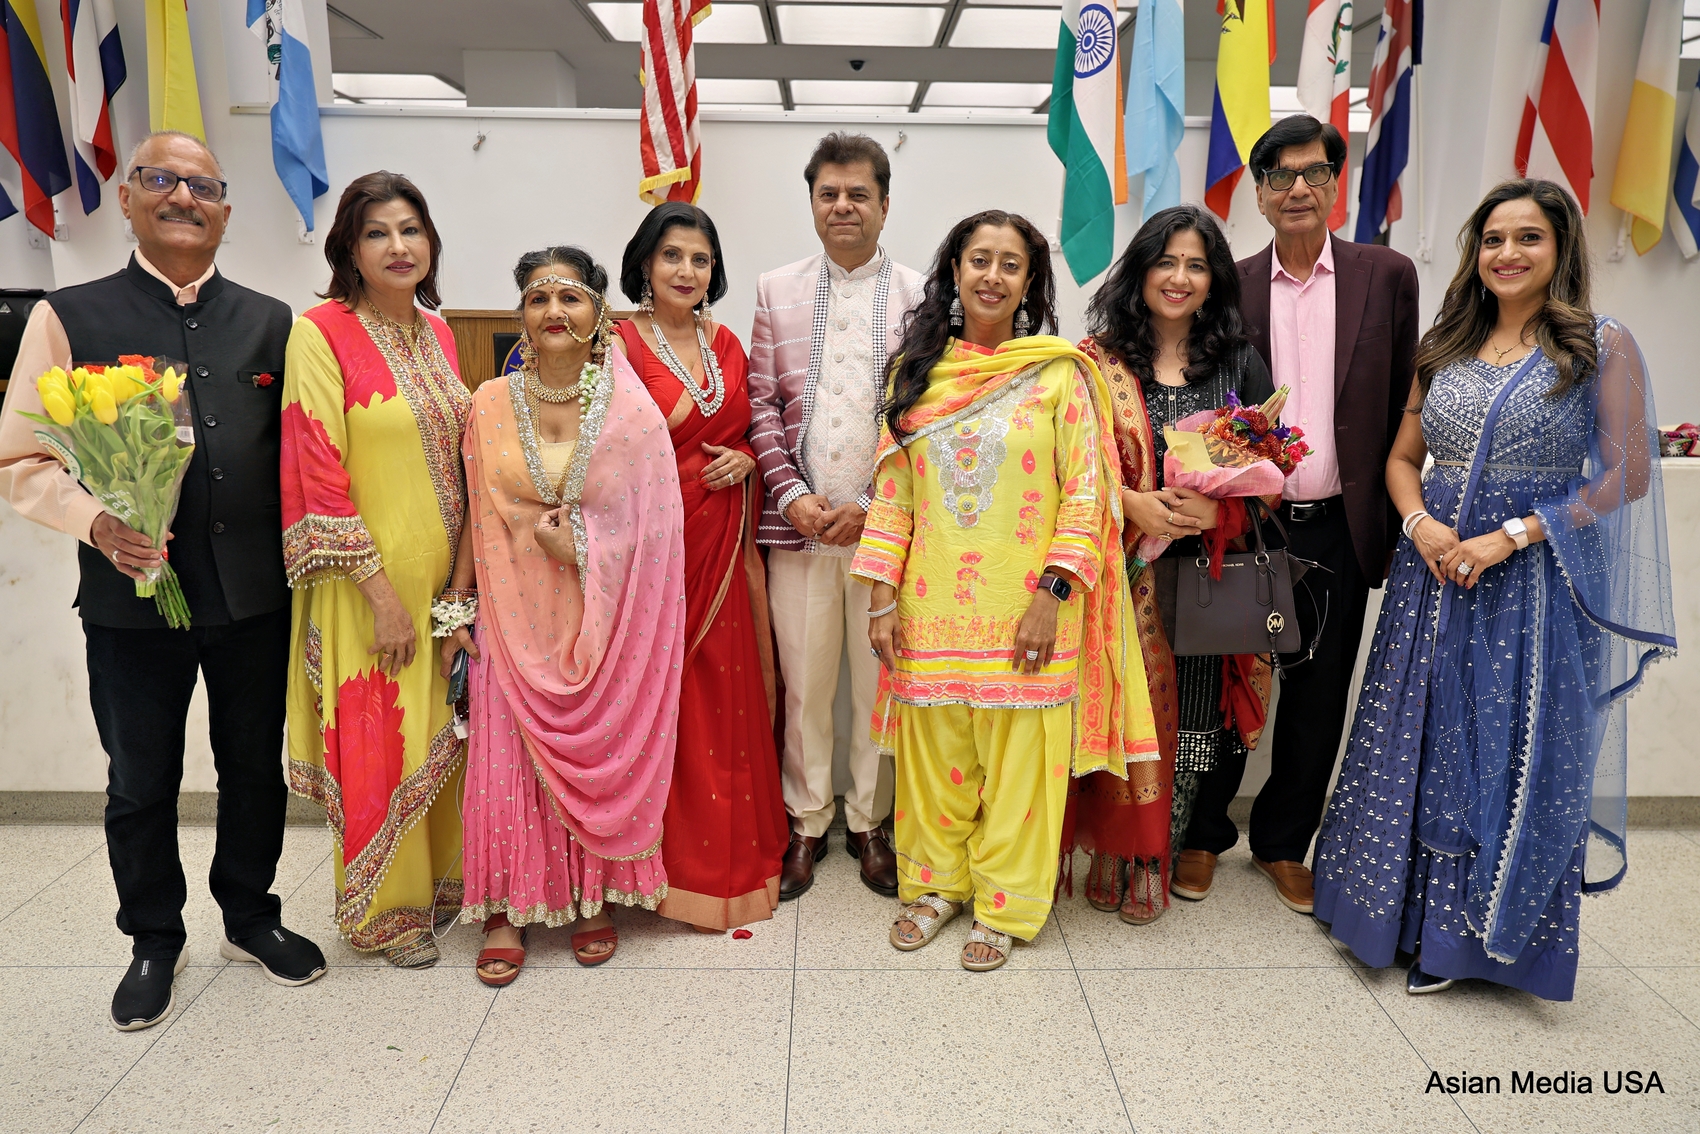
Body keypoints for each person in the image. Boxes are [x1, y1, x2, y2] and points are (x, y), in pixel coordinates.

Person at [1312, 179, 1674, 1000]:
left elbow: (1629, 474)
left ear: (1561, 248)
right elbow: (1402, 460)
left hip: (1532, 587)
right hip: (1432, 573)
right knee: (1416, 733)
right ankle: (1386, 919)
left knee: (1499, 748)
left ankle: (1465, 941)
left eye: (1528, 238)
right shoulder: (1446, 342)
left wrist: (1515, 535)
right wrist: (1418, 525)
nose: (1507, 253)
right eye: (1493, 239)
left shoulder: (1599, 344)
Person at [0, 131, 325, 1030]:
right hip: (128, 601)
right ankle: (153, 937)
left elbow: (300, 454)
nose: (183, 197)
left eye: (202, 187)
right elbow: (21, 456)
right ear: (129, 199)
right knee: (140, 779)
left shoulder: (272, 322)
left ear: (225, 210)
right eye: (161, 180)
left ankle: (251, 917)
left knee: (253, 769)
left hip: (254, 596)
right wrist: (96, 523)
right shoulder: (69, 316)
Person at [853, 210, 1158, 972]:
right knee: (934, 758)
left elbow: (1088, 493)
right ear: (954, 272)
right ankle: (934, 886)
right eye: (979, 260)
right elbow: (894, 494)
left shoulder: (1060, 374)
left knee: (1022, 766)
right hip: (929, 606)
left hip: (1028, 610)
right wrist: (881, 597)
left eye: (1010, 264)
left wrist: (1051, 596)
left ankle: (1006, 905)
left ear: (1030, 283)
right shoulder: (915, 374)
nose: (992, 276)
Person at [1180, 114, 1420, 915]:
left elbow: (1404, 399)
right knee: (1225, 684)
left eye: (1314, 173)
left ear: (1334, 184)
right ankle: (1205, 833)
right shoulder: (1230, 283)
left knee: (1319, 697)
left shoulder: (1386, 275)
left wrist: (1404, 515)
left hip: (1343, 524)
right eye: (1279, 175)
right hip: (1249, 527)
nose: (1297, 189)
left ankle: (1283, 844)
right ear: (1258, 191)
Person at [451, 247, 686, 985]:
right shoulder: (489, 401)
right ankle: (504, 909)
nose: (554, 310)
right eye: (537, 298)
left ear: (598, 314)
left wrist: (582, 543)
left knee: (596, 753)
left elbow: (658, 526)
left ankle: (592, 897)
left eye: (570, 297)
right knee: (506, 761)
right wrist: (456, 605)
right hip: (510, 610)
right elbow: (474, 511)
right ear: (521, 316)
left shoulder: (630, 410)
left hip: (601, 617)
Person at [281, 172, 470, 968]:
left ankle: (441, 885)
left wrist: (460, 593)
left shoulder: (440, 333)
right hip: (368, 584)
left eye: (410, 230)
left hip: (441, 586)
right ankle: (385, 913)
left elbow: (464, 464)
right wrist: (381, 596)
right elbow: (317, 471)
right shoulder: (319, 333)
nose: (398, 247)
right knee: (378, 737)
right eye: (377, 233)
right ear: (349, 250)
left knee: (442, 731)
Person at [1071, 205, 1276, 925]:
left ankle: (1155, 855)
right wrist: (1129, 503)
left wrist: (1219, 515)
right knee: (1117, 715)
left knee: (1190, 725)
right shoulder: (1095, 362)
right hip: (1118, 575)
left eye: (1196, 264)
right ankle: (1111, 849)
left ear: (1214, 279)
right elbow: (1069, 465)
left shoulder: (1238, 362)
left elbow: (1269, 473)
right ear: (1141, 270)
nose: (1180, 278)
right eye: (1166, 261)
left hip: (1204, 581)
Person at [747, 132, 925, 899]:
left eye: (858, 194)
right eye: (829, 194)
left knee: (879, 687)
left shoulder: (923, 296)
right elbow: (761, 405)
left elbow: (924, 415)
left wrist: (874, 505)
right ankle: (807, 820)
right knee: (806, 687)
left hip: (888, 533)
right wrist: (793, 495)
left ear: (884, 204)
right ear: (813, 203)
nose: (843, 206)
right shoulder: (775, 290)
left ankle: (869, 822)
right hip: (799, 531)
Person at [616, 203, 789, 932]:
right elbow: (601, 450)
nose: (686, 271)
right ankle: (657, 866)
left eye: (701, 259)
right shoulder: (616, 342)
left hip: (724, 543)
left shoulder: (726, 343)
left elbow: (748, 429)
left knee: (725, 696)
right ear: (645, 263)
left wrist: (747, 460)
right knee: (666, 698)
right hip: (651, 550)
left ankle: (730, 857)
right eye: (672, 256)